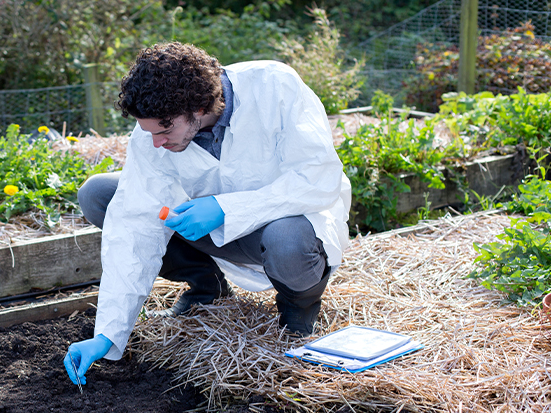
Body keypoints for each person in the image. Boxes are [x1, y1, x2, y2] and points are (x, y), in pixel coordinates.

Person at [63, 42, 351, 386]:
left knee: (287, 240)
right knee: (100, 194)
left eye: (164, 131)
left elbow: (317, 179)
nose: (156, 143)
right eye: (150, 132)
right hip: (210, 233)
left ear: (199, 107)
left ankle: (298, 304)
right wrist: (107, 334)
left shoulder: (275, 87)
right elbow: (132, 228)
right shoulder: (157, 132)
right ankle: (206, 286)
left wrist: (226, 208)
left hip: (286, 228)